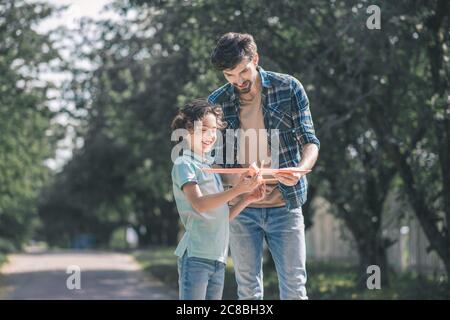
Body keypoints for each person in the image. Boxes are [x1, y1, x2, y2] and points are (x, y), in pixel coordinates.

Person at [208, 33, 320, 300]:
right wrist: (233, 181)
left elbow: (310, 141)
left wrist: (300, 169)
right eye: (229, 75)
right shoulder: (217, 102)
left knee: (294, 287)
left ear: (255, 59)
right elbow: (214, 159)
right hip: (242, 207)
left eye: (243, 71)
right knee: (248, 290)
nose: (238, 81)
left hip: (285, 205)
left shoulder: (289, 87)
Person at [170, 99, 266, 300]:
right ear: (188, 130)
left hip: (218, 258)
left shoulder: (209, 166)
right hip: (196, 256)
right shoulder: (184, 163)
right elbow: (200, 205)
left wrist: (247, 198)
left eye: (214, 130)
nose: (210, 135)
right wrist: (238, 189)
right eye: (204, 129)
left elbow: (221, 215)